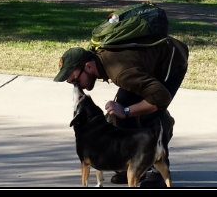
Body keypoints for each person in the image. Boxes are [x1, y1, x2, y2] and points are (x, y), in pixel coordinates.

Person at [54, 35, 188, 187]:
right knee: (123, 107)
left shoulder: (121, 73)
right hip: (141, 65)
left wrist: (126, 110)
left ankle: (159, 169)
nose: (77, 86)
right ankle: (132, 162)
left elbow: (160, 98)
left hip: (171, 59)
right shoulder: (102, 61)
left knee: (150, 112)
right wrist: (124, 109)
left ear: (89, 67)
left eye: (76, 81)